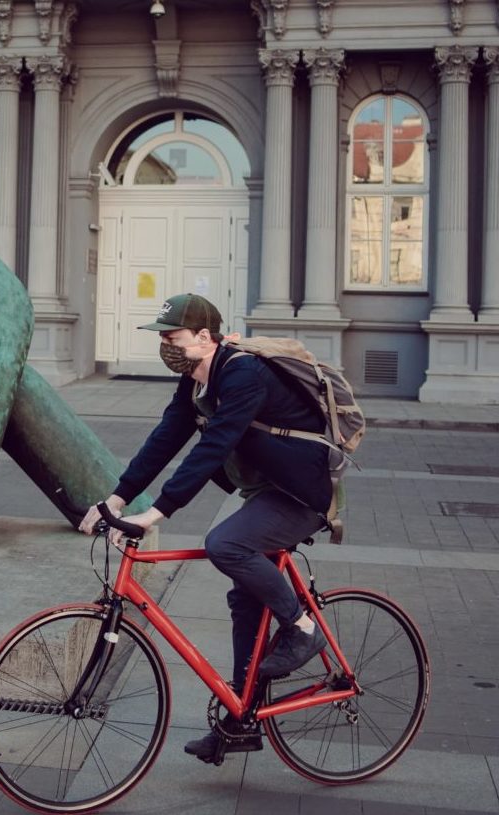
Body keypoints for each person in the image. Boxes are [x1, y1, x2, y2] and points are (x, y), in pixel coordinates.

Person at [79, 292, 333, 763]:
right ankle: (241, 722)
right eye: (161, 337)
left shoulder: (242, 373)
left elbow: (213, 446)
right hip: (266, 492)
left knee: (226, 544)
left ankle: (301, 627)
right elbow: (165, 439)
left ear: (203, 337)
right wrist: (115, 499)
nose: (165, 345)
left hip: (302, 495)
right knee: (244, 599)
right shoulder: (195, 382)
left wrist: (155, 513)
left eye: (172, 336)